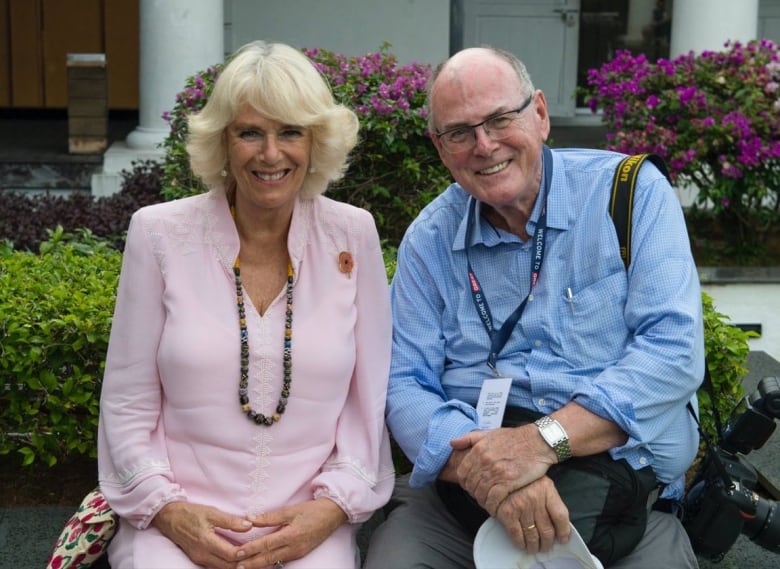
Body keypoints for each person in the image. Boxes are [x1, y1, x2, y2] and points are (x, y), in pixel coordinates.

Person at [364, 46, 703, 569]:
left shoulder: (630, 196)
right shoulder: (428, 241)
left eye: (500, 119)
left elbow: (673, 352)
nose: (484, 145)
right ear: (439, 147)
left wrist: (541, 445)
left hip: (621, 495)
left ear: (540, 114)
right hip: (467, 497)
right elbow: (405, 384)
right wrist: (496, 472)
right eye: (459, 132)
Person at [97, 40, 395, 569]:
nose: (271, 153)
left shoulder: (353, 234)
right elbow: (127, 403)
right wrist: (167, 510)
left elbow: (365, 408)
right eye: (250, 132)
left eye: (290, 132)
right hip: (177, 519)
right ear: (223, 142)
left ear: (317, 141)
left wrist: (328, 510)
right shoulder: (159, 233)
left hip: (306, 523)